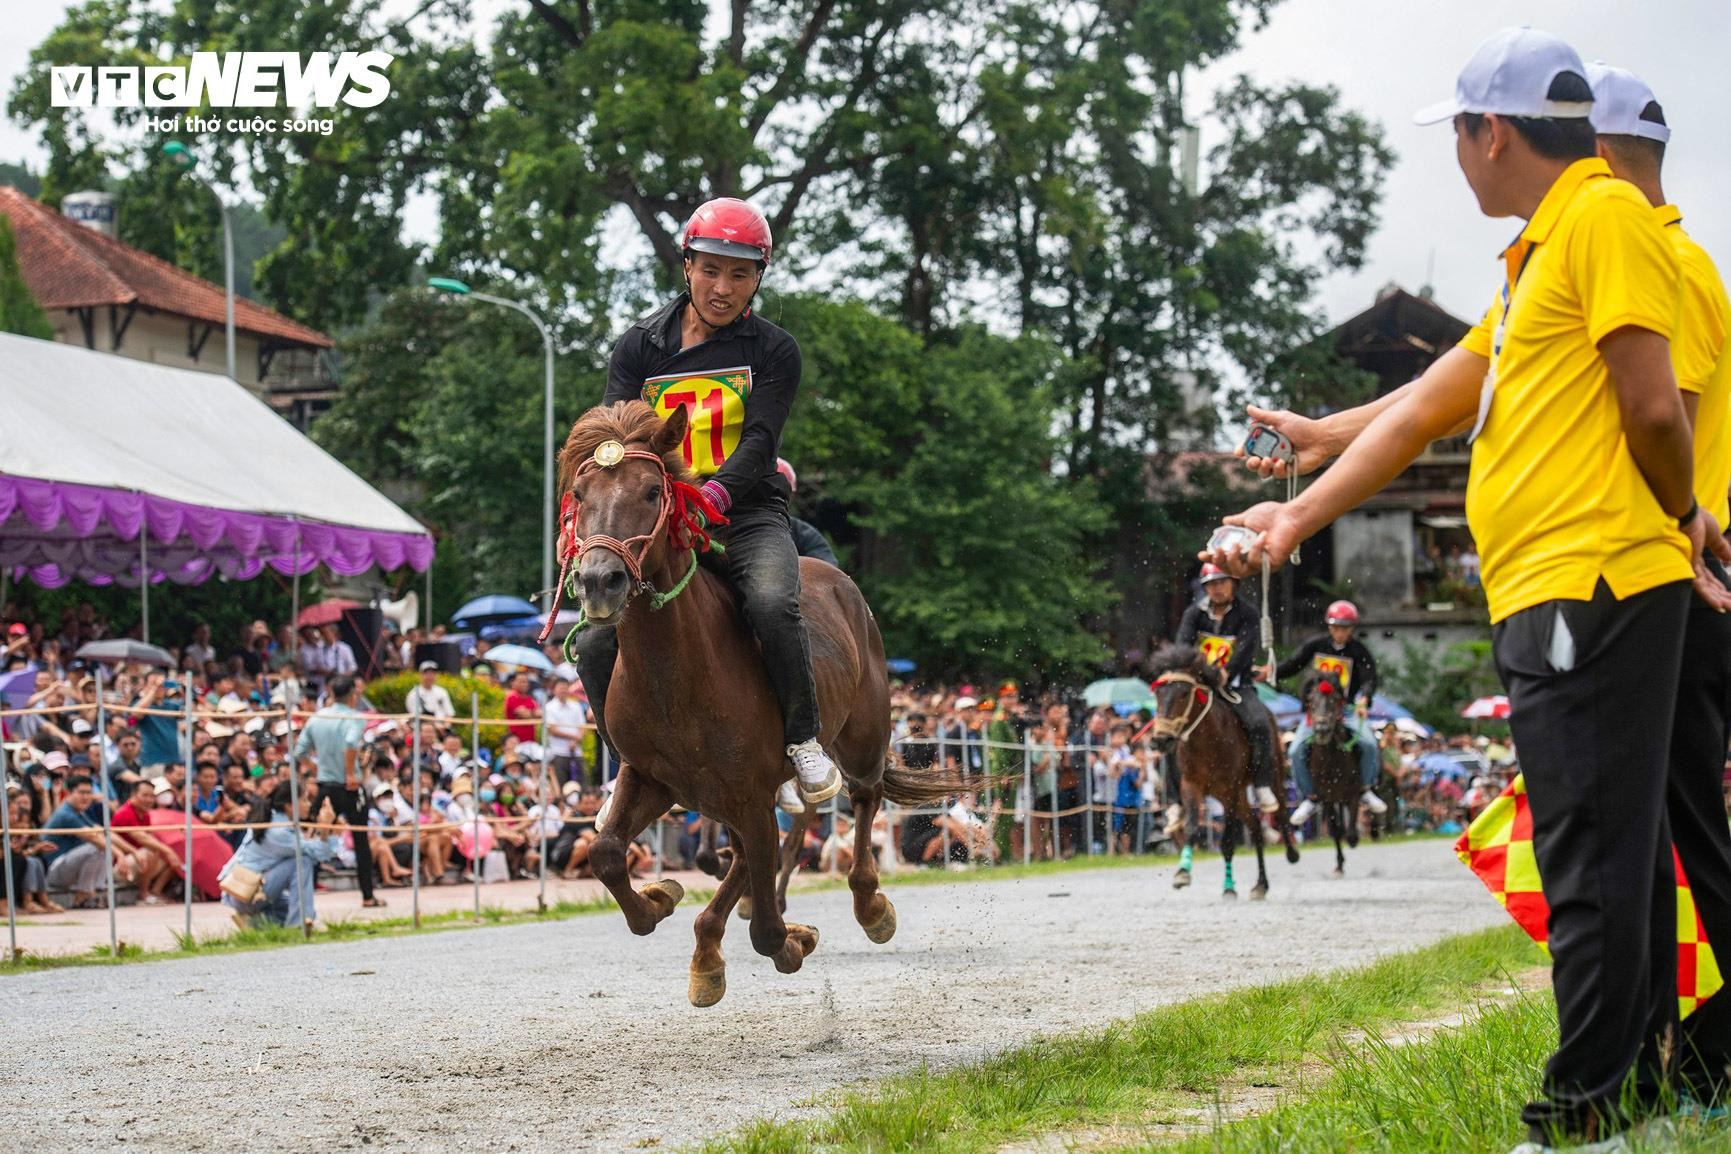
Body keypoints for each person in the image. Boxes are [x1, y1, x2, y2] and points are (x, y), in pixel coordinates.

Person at [1212, 30, 1708, 1150]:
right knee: (1603, 844)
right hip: (1559, 584)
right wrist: (1297, 506)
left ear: (1492, 132)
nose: (1459, 156)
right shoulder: (1542, 253)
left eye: (1459, 136)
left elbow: (1652, 407)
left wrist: (1685, 516)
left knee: (1588, 845)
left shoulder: (1604, 221)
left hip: (1594, 578)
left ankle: (1587, 1108)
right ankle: (1634, 1091)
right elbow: (1424, 405)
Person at [582, 196, 842, 817]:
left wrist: (715, 495)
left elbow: (760, 442)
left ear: (759, 277)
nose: (723, 288)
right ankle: (629, 763)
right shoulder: (638, 348)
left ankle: (801, 741)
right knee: (594, 640)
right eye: (711, 269)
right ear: (687, 265)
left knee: (774, 605)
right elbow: (615, 438)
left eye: (740, 274)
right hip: (659, 518)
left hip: (744, 512)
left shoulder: (775, 351)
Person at [1587, 61, 1731, 1112]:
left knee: (1679, 828)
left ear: (1594, 157)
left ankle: (1710, 1055)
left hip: (1684, 571)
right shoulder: (1675, 258)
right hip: (1686, 566)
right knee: (1672, 823)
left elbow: (1661, 417)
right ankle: (1687, 1048)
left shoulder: (1663, 266)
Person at [1173, 563, 1279, 816]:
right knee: (1172, 730)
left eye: (1221, 582)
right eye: (1210, 584)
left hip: (1236, 686)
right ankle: (1174, 798)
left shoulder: (1248, 613)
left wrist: (1226, 672)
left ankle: (1263, 784)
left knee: (1260, 724)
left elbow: (1245, 647)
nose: (1216, 589)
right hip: (1200, 686)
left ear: (1233, 583)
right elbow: (1182, 646)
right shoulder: (1193, 614)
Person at [1273, 601, 1388, 824]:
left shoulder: (1358, 651)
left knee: (1369, 744)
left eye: (1345, 627)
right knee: (1296, 750)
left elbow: (1369, 678)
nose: (1340, 632)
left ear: (1352, 629)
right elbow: (1293, 664)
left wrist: (1364, 699)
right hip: (1316, 711)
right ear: (1329, 627)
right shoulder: (1316, 645)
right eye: (1336, 627)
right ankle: (1310, 796)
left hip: (1345, 709)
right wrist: (1271, 672)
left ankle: (1365, 788)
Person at [293, 675, 384, 907]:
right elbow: (351, 744)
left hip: (325, 785)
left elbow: (299, 752)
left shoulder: (316, 718)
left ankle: (305, 895)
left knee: (313, 835)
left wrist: (316, 768)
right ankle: (367, 896)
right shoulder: (353, 717)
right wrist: (351, 774)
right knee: (360, 841)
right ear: (353, 695)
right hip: (349, 787)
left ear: (331, 694)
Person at [219, 778, 333, 929]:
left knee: (291, 909)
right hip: (246, 892)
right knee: (302, 861)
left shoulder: (276, 820)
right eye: (304, 800)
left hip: (251, 890)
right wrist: (325, 829)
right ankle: (297, 927)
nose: (309, 804)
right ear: (289, 806)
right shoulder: (278, 831)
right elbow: (319, 854)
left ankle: (255, 924)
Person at [40, 775, 128, 908]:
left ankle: (96, 891)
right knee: (96, 847)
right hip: (54, 870)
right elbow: (92, 837)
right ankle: (83, 895)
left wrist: (131, 852)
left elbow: (103, 832)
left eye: (89, 793)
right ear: (69, 793)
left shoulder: (79, 812)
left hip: (68, 867)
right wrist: (119, 854)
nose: (86, 797)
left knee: (101, 845)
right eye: (82, 793)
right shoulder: (65, 814)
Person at [109, 776, 181, 905]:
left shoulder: (145, 814)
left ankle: (155, 892)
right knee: (153, 851)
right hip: (120, 866)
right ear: (133, 795)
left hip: (137, 862)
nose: (149, 800)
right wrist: (167, 850)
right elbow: (141, 837)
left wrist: (169, 852)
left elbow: (148, 837)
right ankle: (143, 894)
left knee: (171, 855)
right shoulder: (124, 812)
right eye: (145, 795)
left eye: (152, 796)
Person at [777, 458, 840, 567]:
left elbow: (827, 568)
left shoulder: (803, 534)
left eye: (782, 493)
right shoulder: (739, 528)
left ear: (792, 496)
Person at [542, 677, 588, 786]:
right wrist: (574, 737)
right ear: (554, 690)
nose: (563, 690)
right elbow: (553, 730)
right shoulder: (549, 707)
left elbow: (582, 726)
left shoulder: (576, 706)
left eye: (565, 688)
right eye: (560, 688)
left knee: (581, 784)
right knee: (561, 784)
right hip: (558, 752)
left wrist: (576, 740)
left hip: (576, 751)